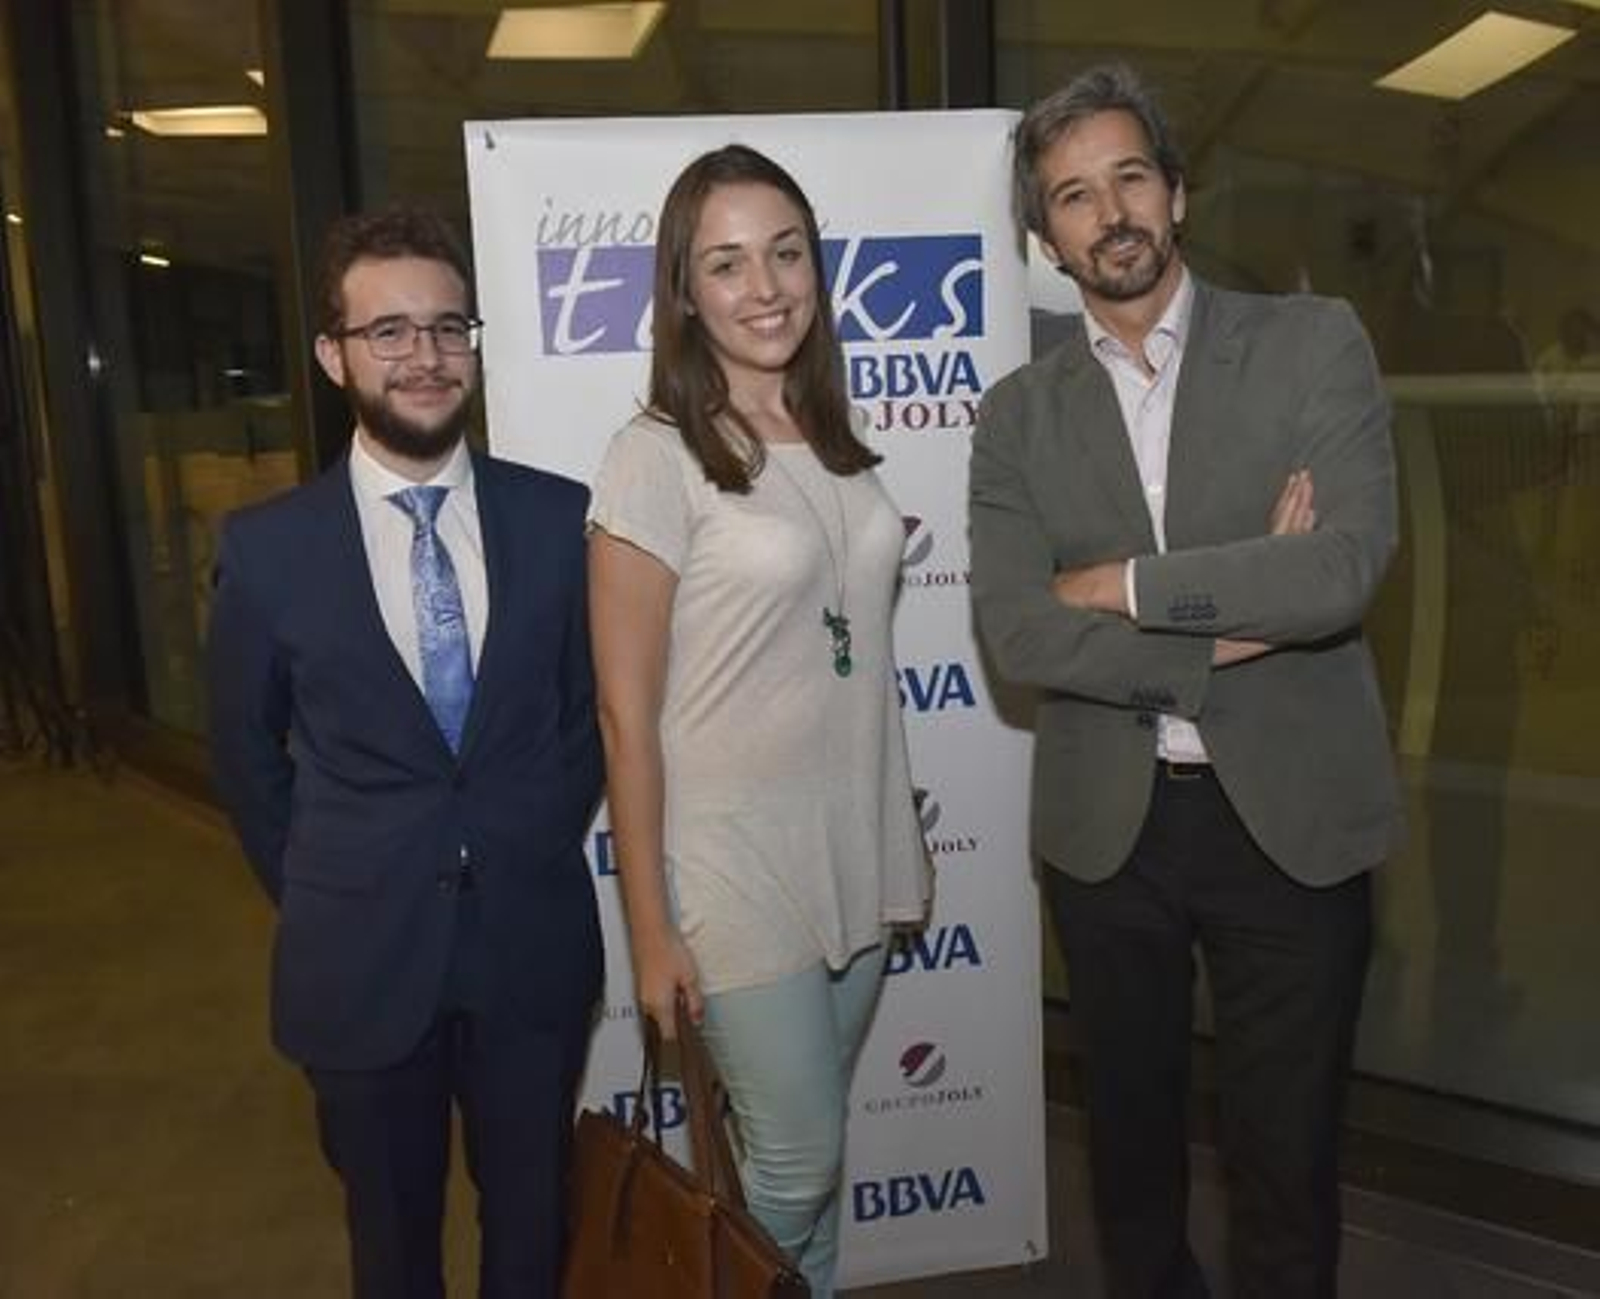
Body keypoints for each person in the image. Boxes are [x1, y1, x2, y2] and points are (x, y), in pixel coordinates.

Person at [969, 64, 1403, 1299]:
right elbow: (1014, 633)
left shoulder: (1313, 343)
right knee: (1129, 1160)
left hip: (1293, 825)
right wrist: (1240, 604)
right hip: (1111, 834)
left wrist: (1115, 587)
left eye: (1128, 178)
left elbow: (1337, 573)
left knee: (1286, 1160)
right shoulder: (1014, 418)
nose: (1108, 213)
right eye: (1069, 195)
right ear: (1042, 236)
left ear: (1178, 194)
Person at [206, 206, 603, 1299]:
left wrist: (517, 834)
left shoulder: (554, 518)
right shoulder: (268, 549)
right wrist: (332, 882)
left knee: (534, 1223)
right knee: (391, 1240)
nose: (423, 357)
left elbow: (585, 720)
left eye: (445, 327)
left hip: (529, 948)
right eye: (388, 332)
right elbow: (244, 755)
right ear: (335, 355)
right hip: (358, 961)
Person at [586, 143, 930, 1299]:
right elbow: (624, 717)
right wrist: (648, 931)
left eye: (785, 253)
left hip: (859, 847)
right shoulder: (652, 457)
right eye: (725, 263)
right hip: (733, 866)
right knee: (795, 1163)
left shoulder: (836, 441)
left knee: (811, 1185)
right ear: (683, 291)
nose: (765, 285)